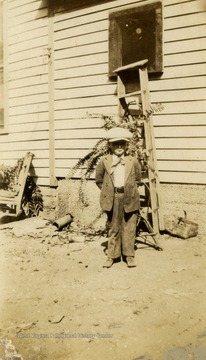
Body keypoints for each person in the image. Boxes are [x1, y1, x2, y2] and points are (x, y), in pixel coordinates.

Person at [95, 127, 142, 268]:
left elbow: (138, 179)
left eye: (122, 144)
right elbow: (99, 180)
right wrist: (109, 192)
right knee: (113, 226)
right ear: (110, 145)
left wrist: (129, 190)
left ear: (127, 145)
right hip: (113, 197)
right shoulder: (104, 161)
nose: (119, 147)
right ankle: (112, 256)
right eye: (116, 144)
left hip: (128, 196)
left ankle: (129, 255)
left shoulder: (132, 161)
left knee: (129, 226)